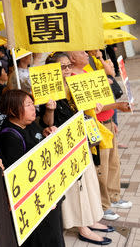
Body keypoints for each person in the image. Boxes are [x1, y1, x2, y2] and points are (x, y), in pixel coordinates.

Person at [41, 52, 112, 245]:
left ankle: (91, 218)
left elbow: (85, 109)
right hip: (65, 145)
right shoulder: (46, 92)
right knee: (76, 187)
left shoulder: (74, 84)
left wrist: (94, 107)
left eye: (67, 66)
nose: (66, 70)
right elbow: (47, 123)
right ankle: (82, 227)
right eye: (61, 67)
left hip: (82, 138)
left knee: (89, 182)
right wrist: (50, 109)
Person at [68, 50, 132, 220]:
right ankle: (104, 205)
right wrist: (117, 106)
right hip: (95, 126)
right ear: (72, 58)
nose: (85, 53)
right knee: (102, 167)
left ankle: (114, 196)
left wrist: (114, 115)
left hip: (108, 121)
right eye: (81, 52)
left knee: (113, 163)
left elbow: (102, 98)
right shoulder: (73, 78)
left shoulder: (89, 70)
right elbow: (88, 106)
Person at [0, 89, 64, 247]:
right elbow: (19, 177)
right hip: (37, 204)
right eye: (28, 105)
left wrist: (46, 133)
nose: (33, 108)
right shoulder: (10, 136)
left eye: (32, 104)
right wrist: (43, 198)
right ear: (12, 109)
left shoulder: (28, 124)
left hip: (48, 194)